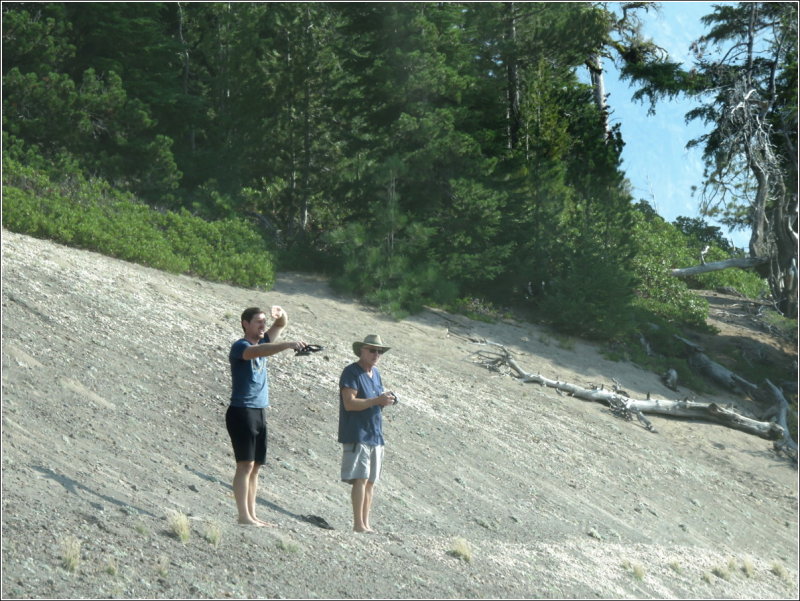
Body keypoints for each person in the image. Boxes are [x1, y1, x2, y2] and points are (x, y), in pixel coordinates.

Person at [226, 305, 306, 526]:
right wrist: (287, 345)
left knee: (256, 466)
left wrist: (281, 314)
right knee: (245, 465)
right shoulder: (240, 346)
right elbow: (258, 352)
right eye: (258, 322)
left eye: (264, 321)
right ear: (245, 324)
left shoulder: (262, 342)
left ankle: (252, 515)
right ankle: (243, 516)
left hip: (259, 410)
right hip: (242, 411)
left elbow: (280, 324)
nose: (263, 326)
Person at [338, 334, 397, 533]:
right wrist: (376, 401)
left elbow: (374, 400)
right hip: (357, 433)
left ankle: (366, 523)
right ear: (361, 351)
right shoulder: (351, 372)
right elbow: (349, 403)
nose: (376, 354)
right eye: (372, 350)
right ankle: (358, 524)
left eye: (379, 351)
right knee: (360, 479)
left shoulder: (376, 373)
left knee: (371, 481)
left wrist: (384, 401)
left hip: (375, 433)